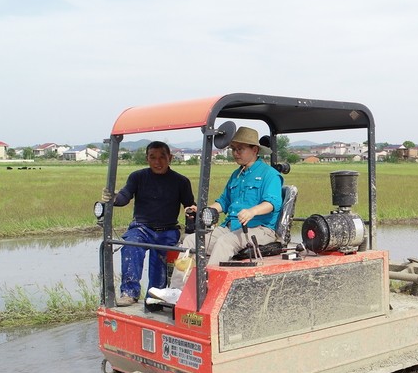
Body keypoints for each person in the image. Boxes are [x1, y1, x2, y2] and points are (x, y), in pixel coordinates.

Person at [148, 126, 282, 303]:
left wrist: (252, 211)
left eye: (240, 149)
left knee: (225, 242)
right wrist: (206, 210)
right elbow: (223, 202)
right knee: (191, 241)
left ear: (254, 150)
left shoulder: (269, 175)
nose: (235, 153)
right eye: (233, 149)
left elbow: (272, 203)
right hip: (232, 227)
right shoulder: (237, 175)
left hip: (260, 229)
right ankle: (177, 291)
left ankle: (206, 290)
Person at [100, 141, 195, 306]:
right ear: (147, 159)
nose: (157, 162)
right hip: (142, 228)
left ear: (170, 158)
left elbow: (190, 207)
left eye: (162, 157)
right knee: (131, 244)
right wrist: (113, 198)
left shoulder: (181, 181)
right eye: (153, 157)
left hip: (168, 230)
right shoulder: (137, 177)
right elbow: (124, 196)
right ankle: (129, 293)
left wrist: (190, 228)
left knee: (161, 258)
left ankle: (155, 297)